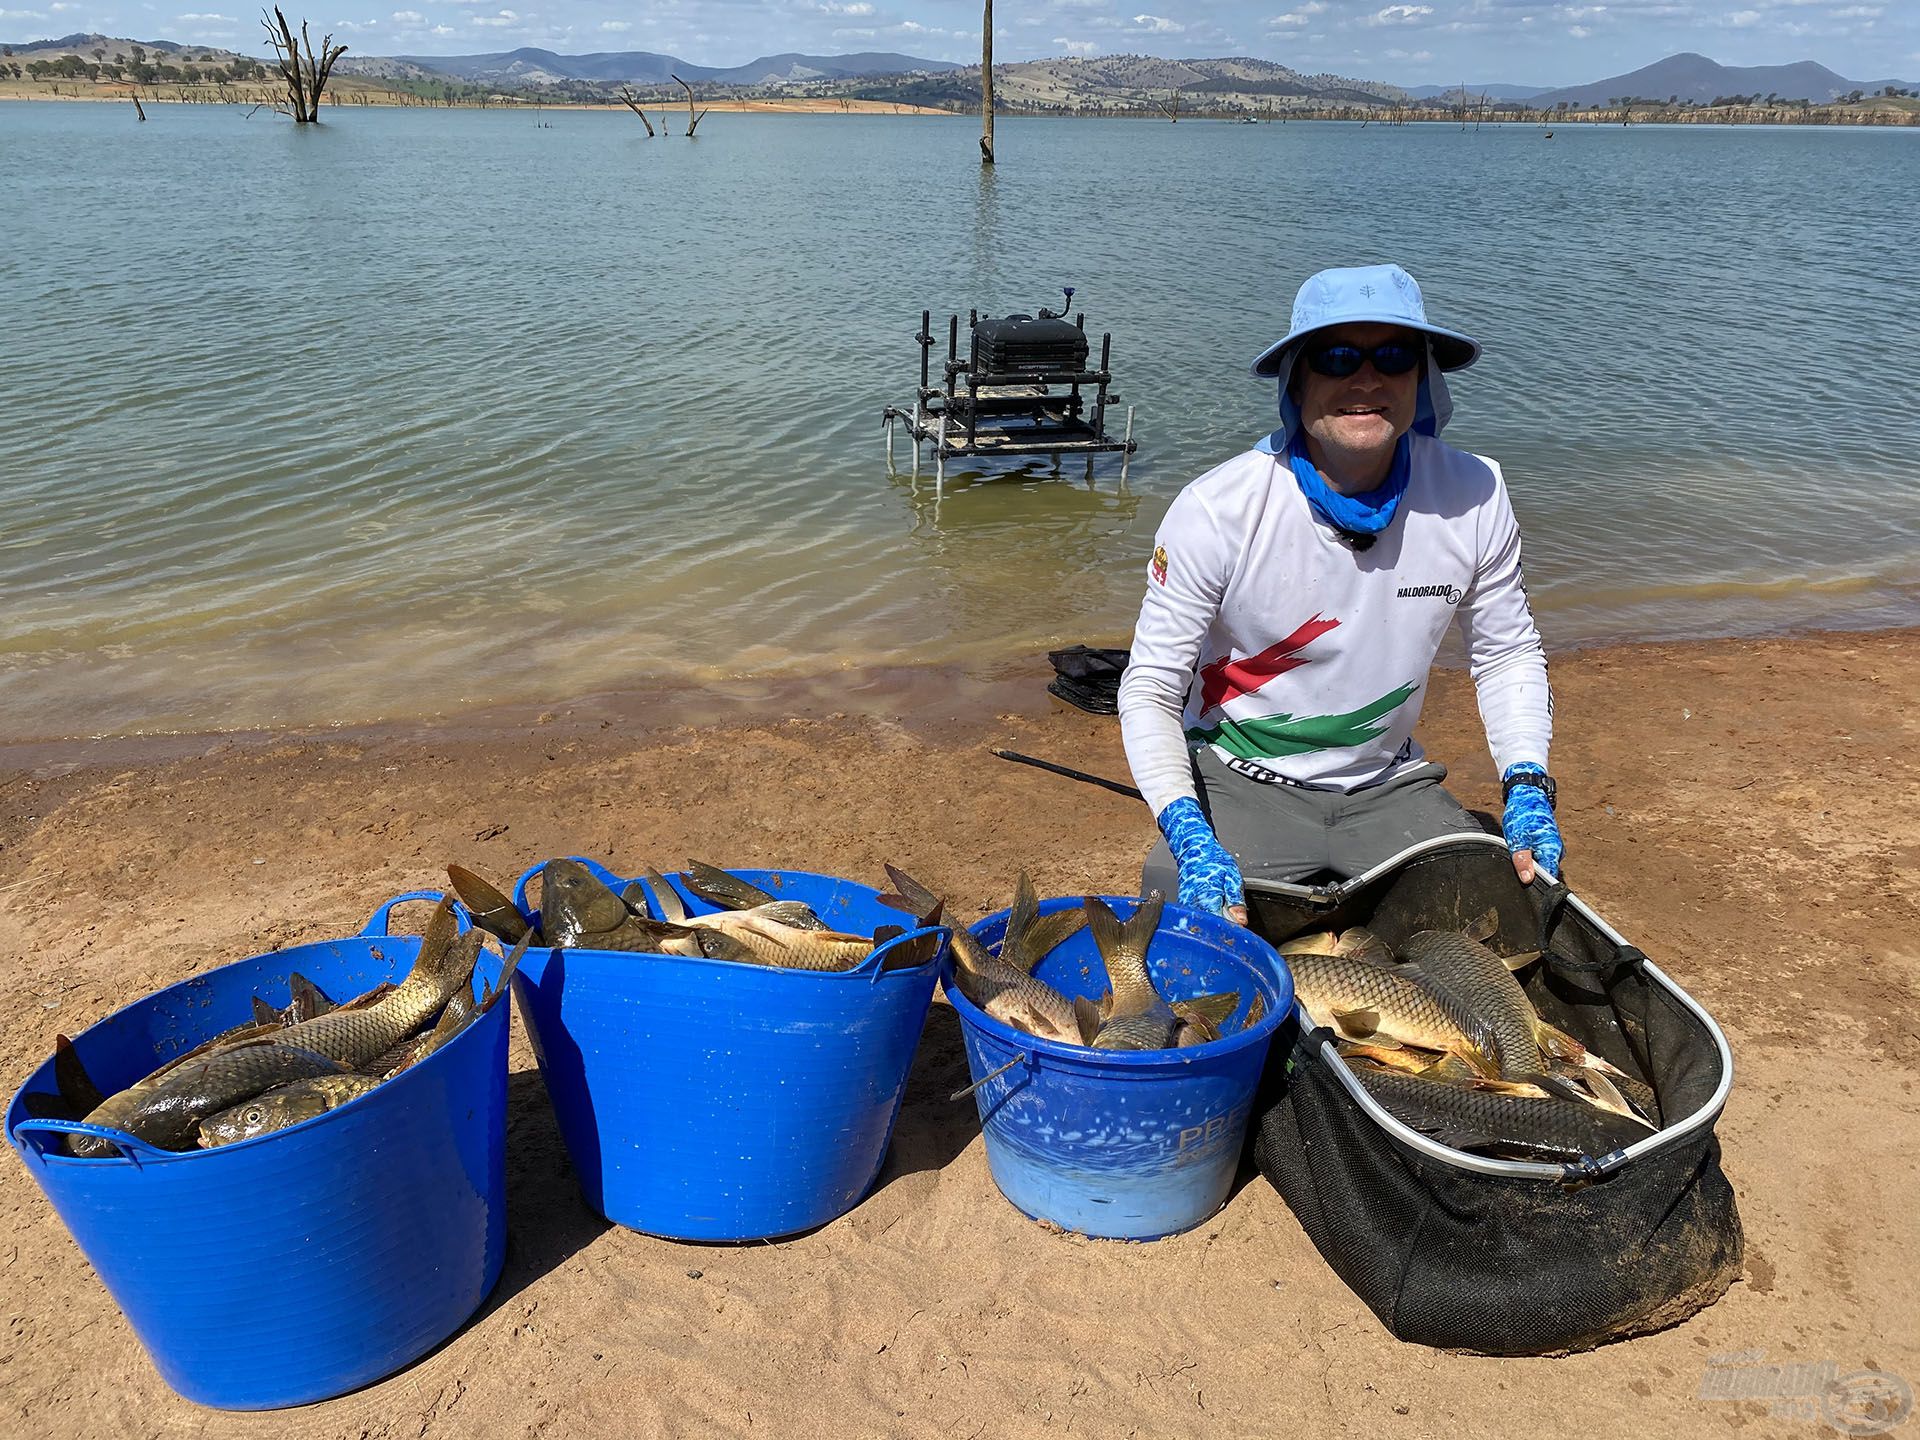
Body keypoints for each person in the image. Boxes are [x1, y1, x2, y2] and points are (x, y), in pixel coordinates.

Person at [1117, 263, 1561, 923]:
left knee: (1514, 912)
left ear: (1422, 376)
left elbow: (1505, 653)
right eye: (1336, 356)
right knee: (1180, 938)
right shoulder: (1216, 510)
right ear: (1297, 380)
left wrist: (1527, 786)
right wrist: (1188, 832)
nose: (1367, 379)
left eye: (1394, 355)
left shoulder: (1475, 493)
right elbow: (1149, 688)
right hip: (1240, 781)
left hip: (1389, 785)